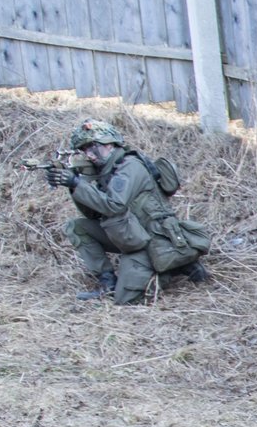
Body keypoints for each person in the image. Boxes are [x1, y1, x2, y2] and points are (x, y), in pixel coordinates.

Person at [51, 119, 210, 305]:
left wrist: (77, 184)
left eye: (91, 147)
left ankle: (174, 266)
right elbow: (93, 215)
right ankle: (107, 281)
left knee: (126, 299)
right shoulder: (105, 171)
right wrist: (74, 186)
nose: (89, 155)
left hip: (152, 239)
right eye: (84, 150)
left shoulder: (129, 166)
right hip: (130, 236)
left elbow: (114, 206)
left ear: (108, 144)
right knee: (76, 227)